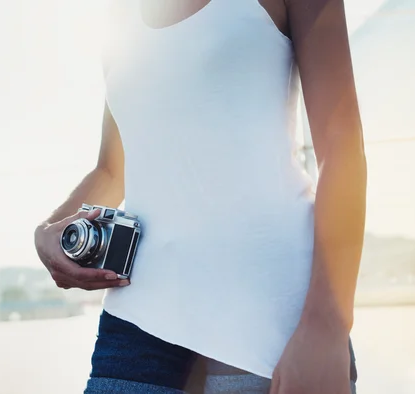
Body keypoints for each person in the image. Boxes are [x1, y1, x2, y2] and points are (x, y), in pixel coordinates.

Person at [34, 0, 367, 392]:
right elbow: (112, 169)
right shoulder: (118, 15)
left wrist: (327, 324)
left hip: (269, 320)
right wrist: (46, 234)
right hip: (138, 322)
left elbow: (341, 146)